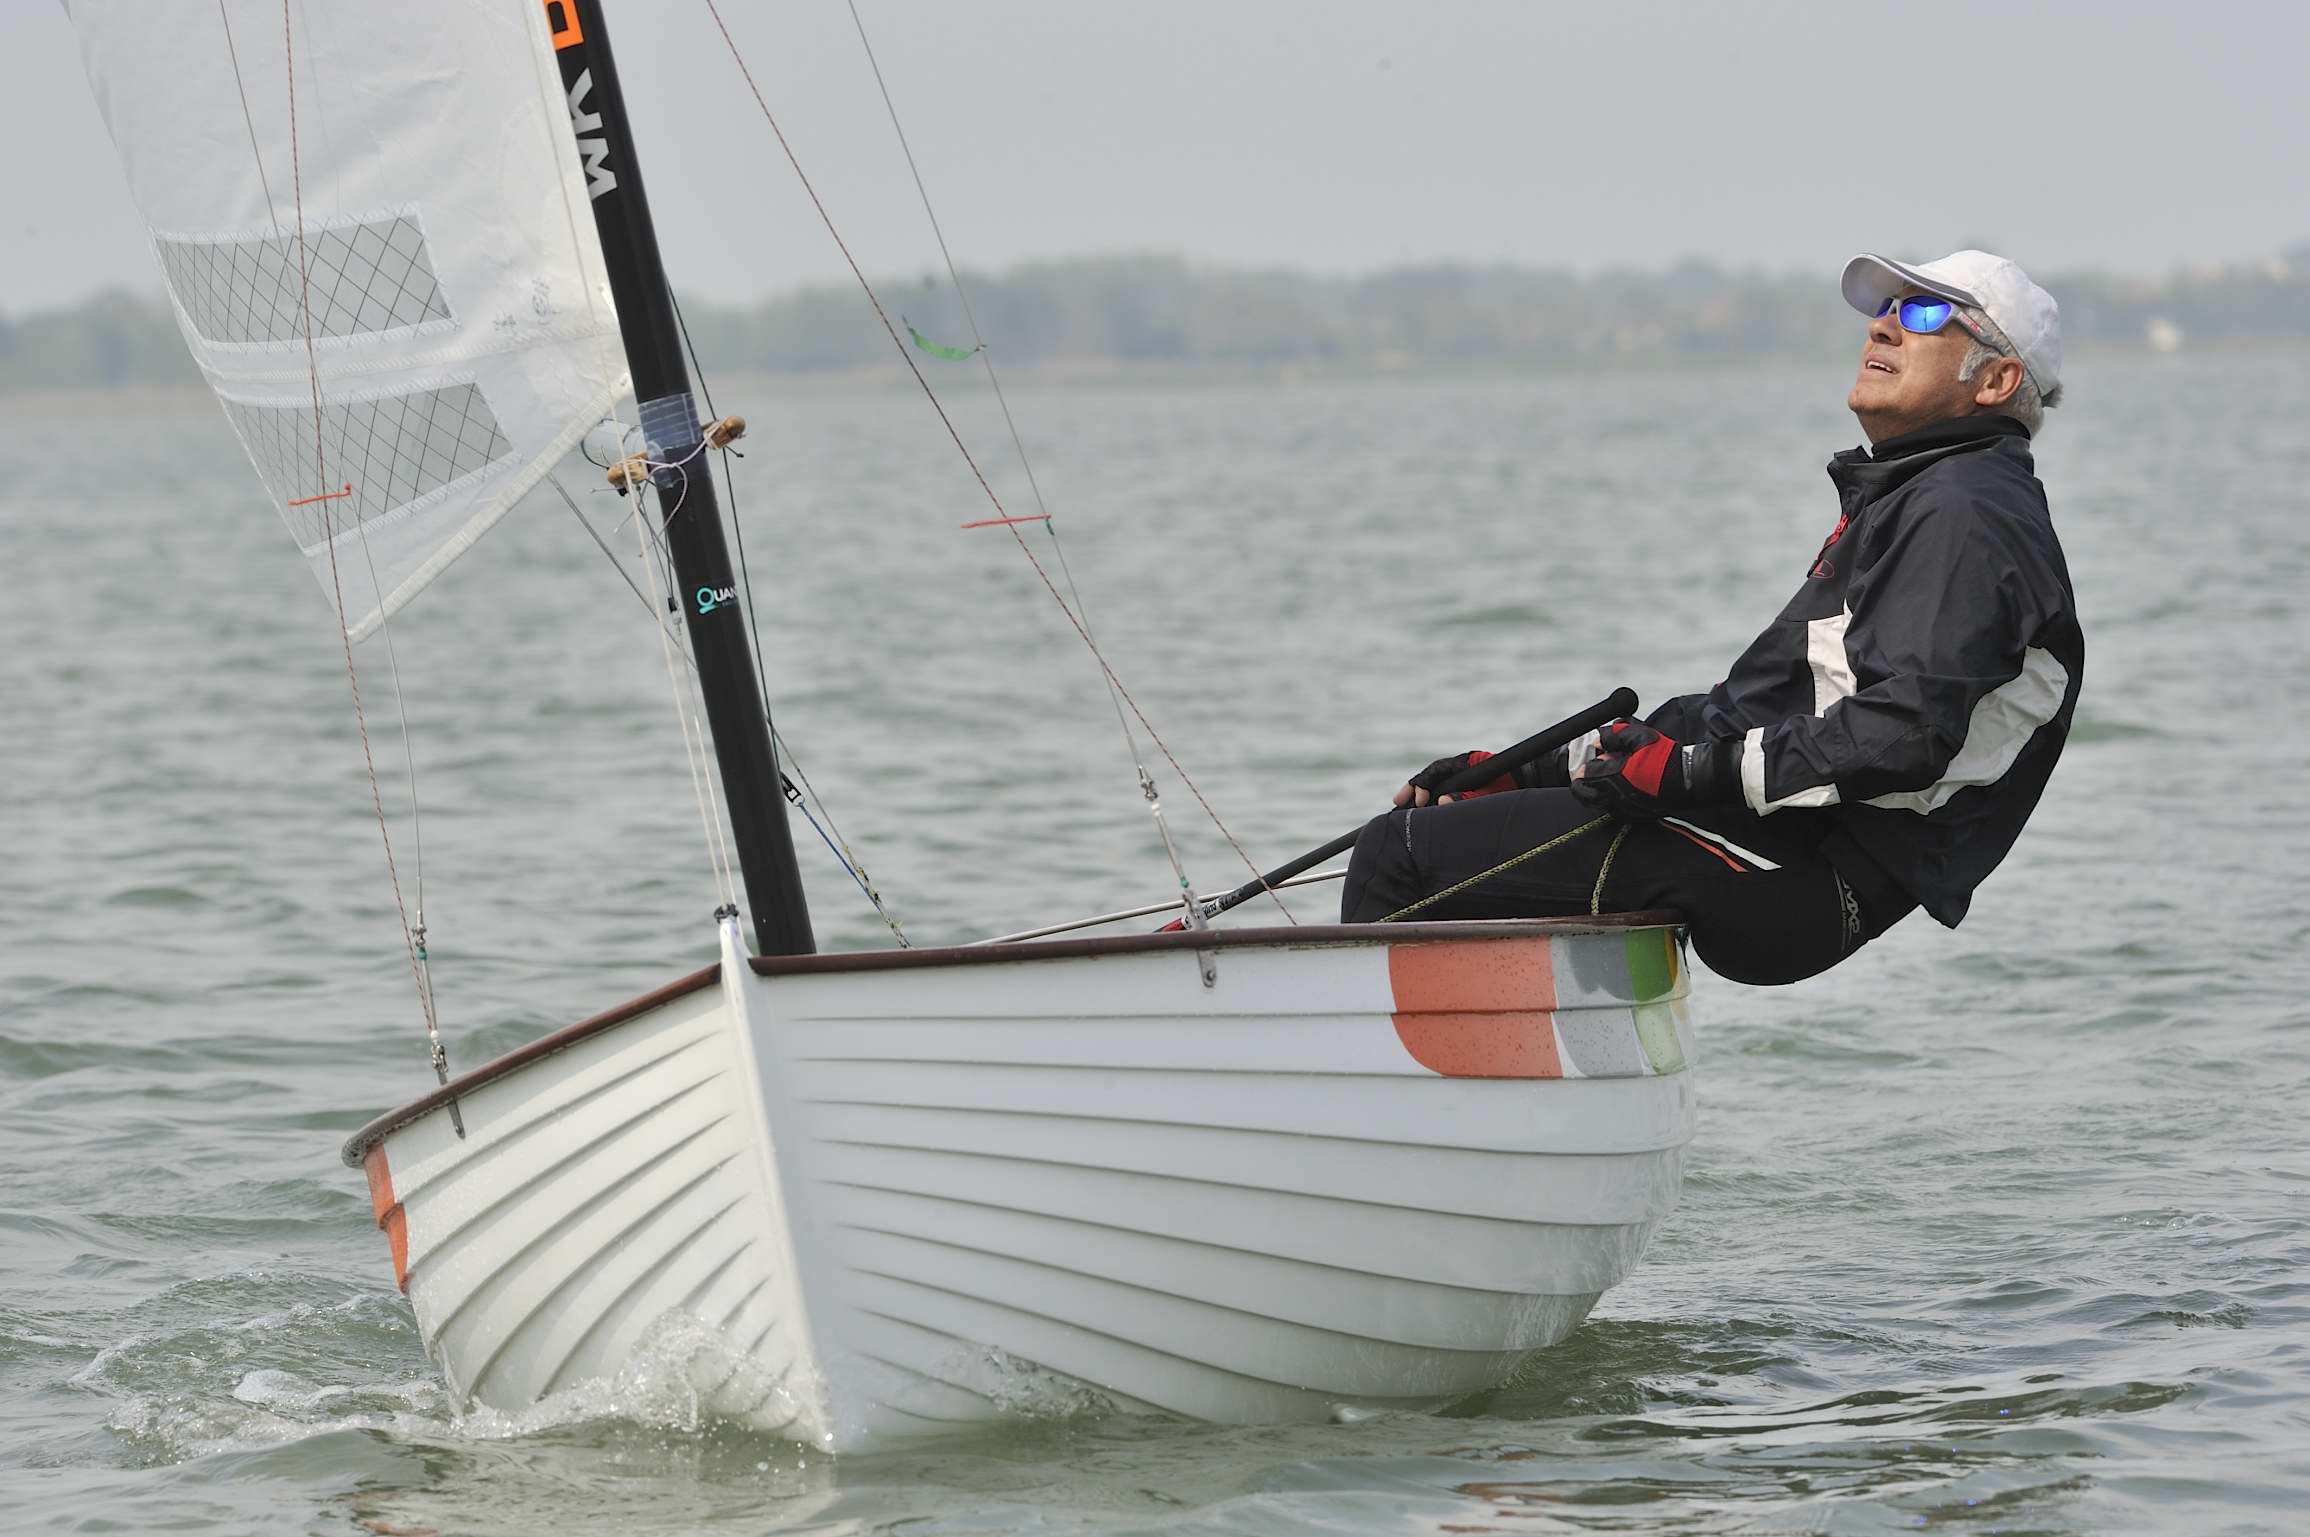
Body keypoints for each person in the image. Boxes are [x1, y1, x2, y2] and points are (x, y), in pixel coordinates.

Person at [1339, 250, 2084, 985]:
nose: (1882, 326)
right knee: (1445, 838)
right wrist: (1530, 770)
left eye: (1922, 313)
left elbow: (1906, 732)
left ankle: (1368, 1054)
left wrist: (1691, 772)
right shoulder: (1927, 497)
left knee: (1397, 852)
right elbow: (1744, 713)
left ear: (1995, 380)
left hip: (1806, 872)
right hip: (1788, 846)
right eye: (1883, 309)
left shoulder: (1963, 511)